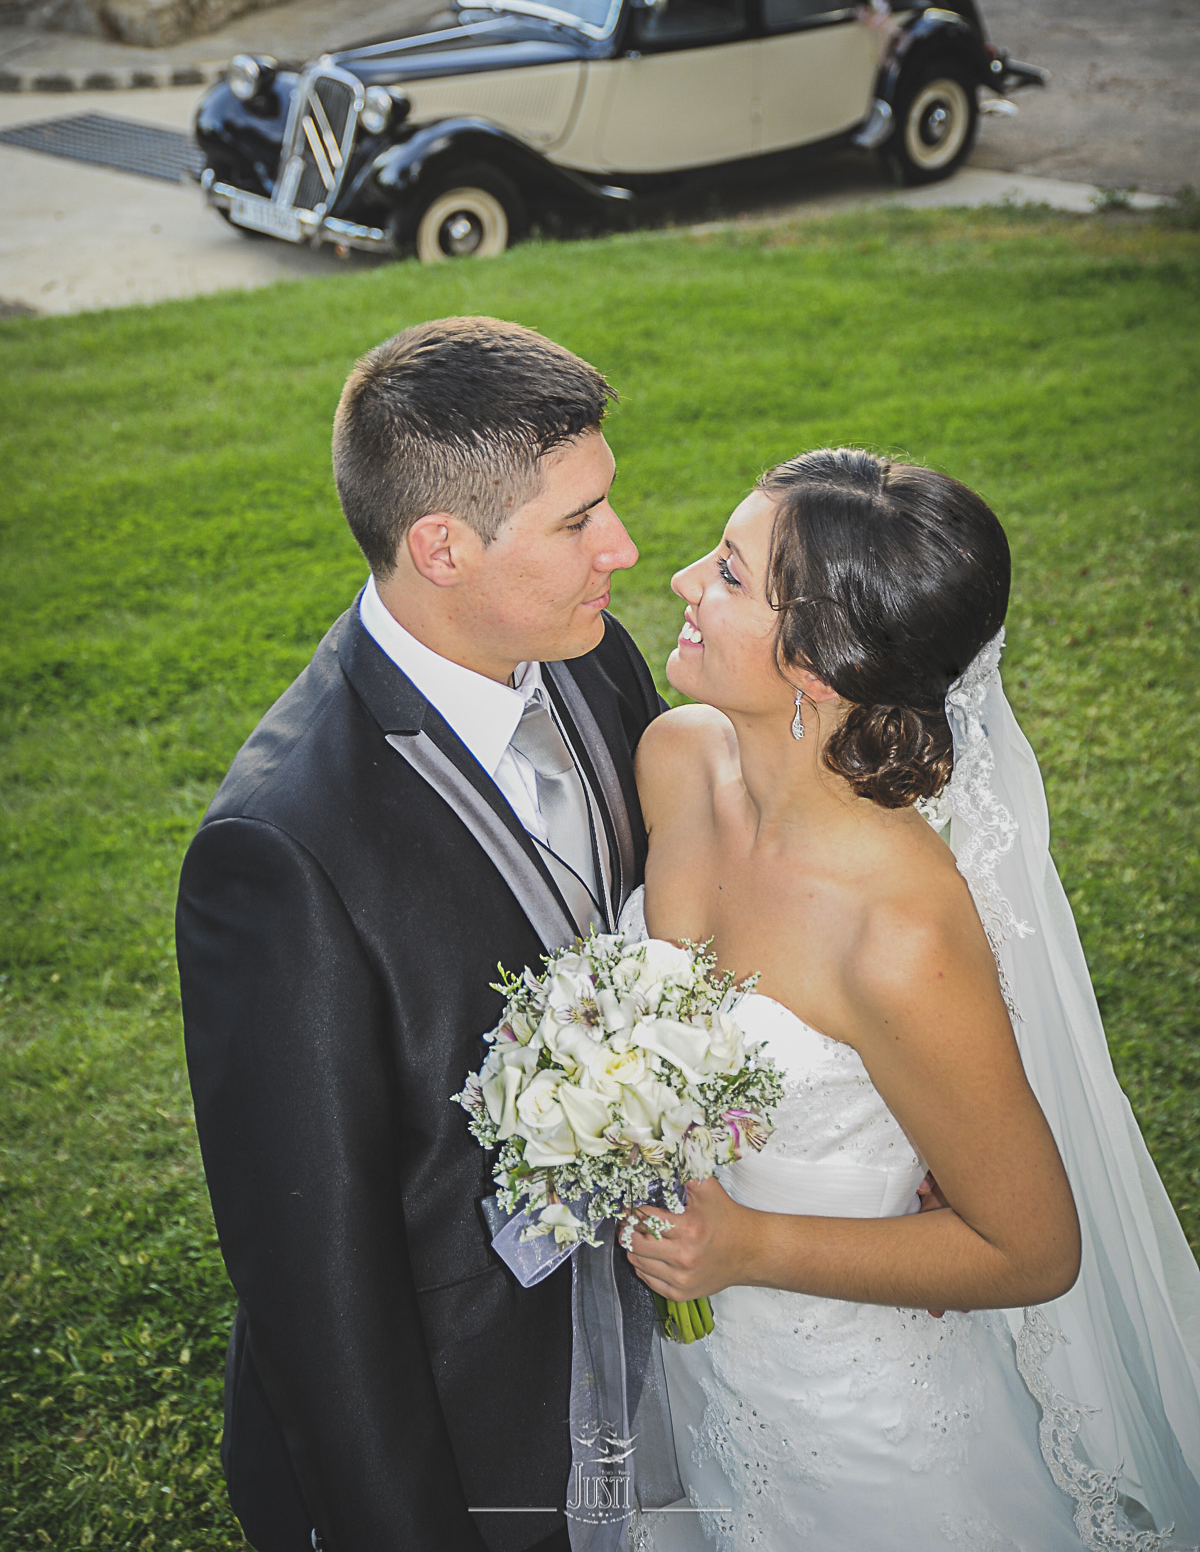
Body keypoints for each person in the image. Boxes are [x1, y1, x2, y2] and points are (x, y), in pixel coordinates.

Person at [623, 449, 1200, 1550]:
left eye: (732, 576)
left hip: (855, 1431)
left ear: (820, 666)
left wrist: (745, 1249)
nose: (686, 580)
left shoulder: (899, 933)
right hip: (693, 1382)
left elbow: (1033, 1250)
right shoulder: (679, 759)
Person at [175, 317, 664, 1552]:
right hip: (468, 1435)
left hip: (656, 1357)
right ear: (441, 546)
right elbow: (316, 1281)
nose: (624, 546)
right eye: (576, 521)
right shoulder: (282, 853)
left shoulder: (595, 664)